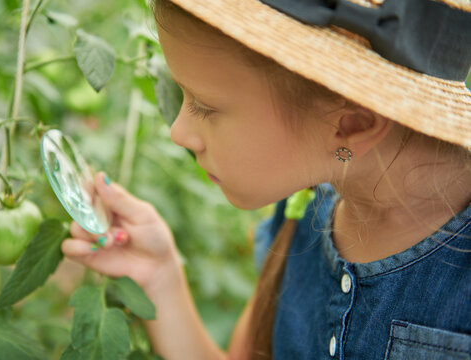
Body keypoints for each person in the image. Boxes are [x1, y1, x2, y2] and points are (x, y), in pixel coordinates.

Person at [61, 0, 471, 358]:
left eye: (205, 106)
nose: (178, 133)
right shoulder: (300, 218)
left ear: (351, 124)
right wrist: (160, 276)